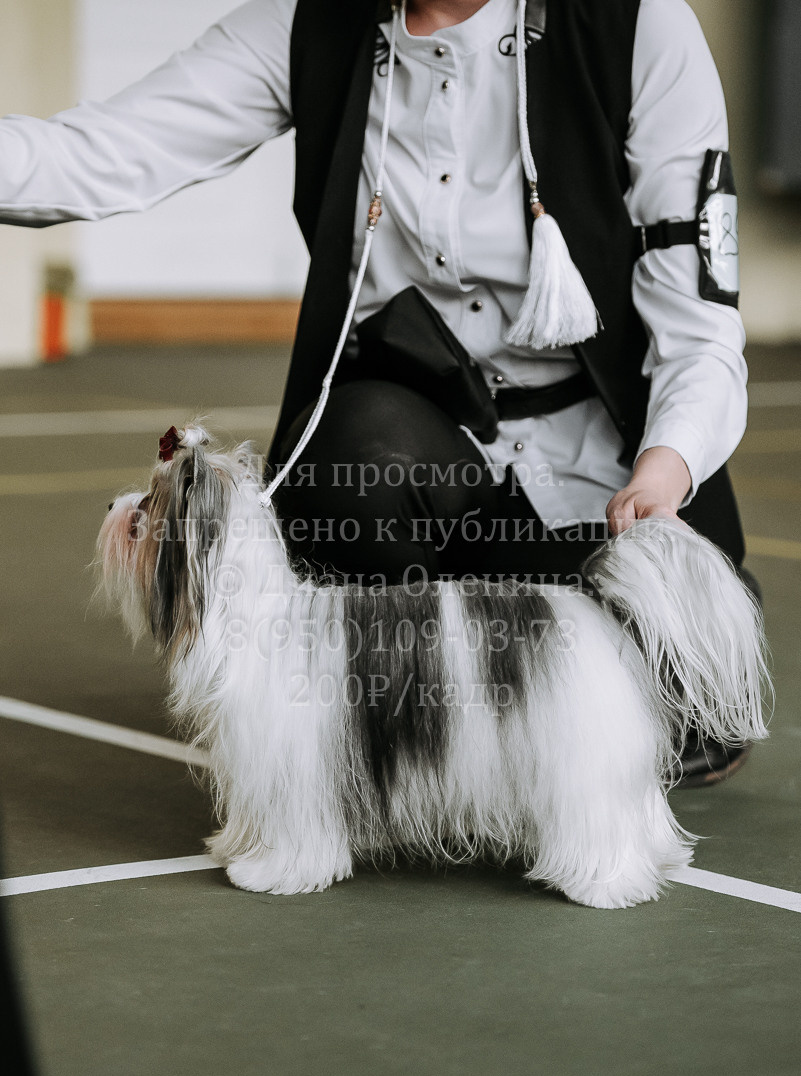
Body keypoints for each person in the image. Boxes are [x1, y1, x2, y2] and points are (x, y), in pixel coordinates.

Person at [0, 0, 755, 782]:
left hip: (608, 474)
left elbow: (698, 321)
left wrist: (666, 467)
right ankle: (396, 730)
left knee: (673, 708)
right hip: (417, 456)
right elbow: (101, 150)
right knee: (354, 458)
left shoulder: (636, 25)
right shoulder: (310, 23)